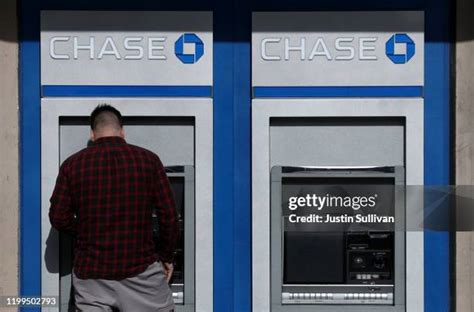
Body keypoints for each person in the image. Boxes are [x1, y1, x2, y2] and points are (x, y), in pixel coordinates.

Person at [49, 104, 179, 312]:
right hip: (141, 274)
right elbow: (169, 217)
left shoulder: (72, 165)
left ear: (92, 134)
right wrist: (166, 257)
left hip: (92, 275)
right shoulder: (149, 161)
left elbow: (58, 217)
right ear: (122, 130)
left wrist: (86, 232)